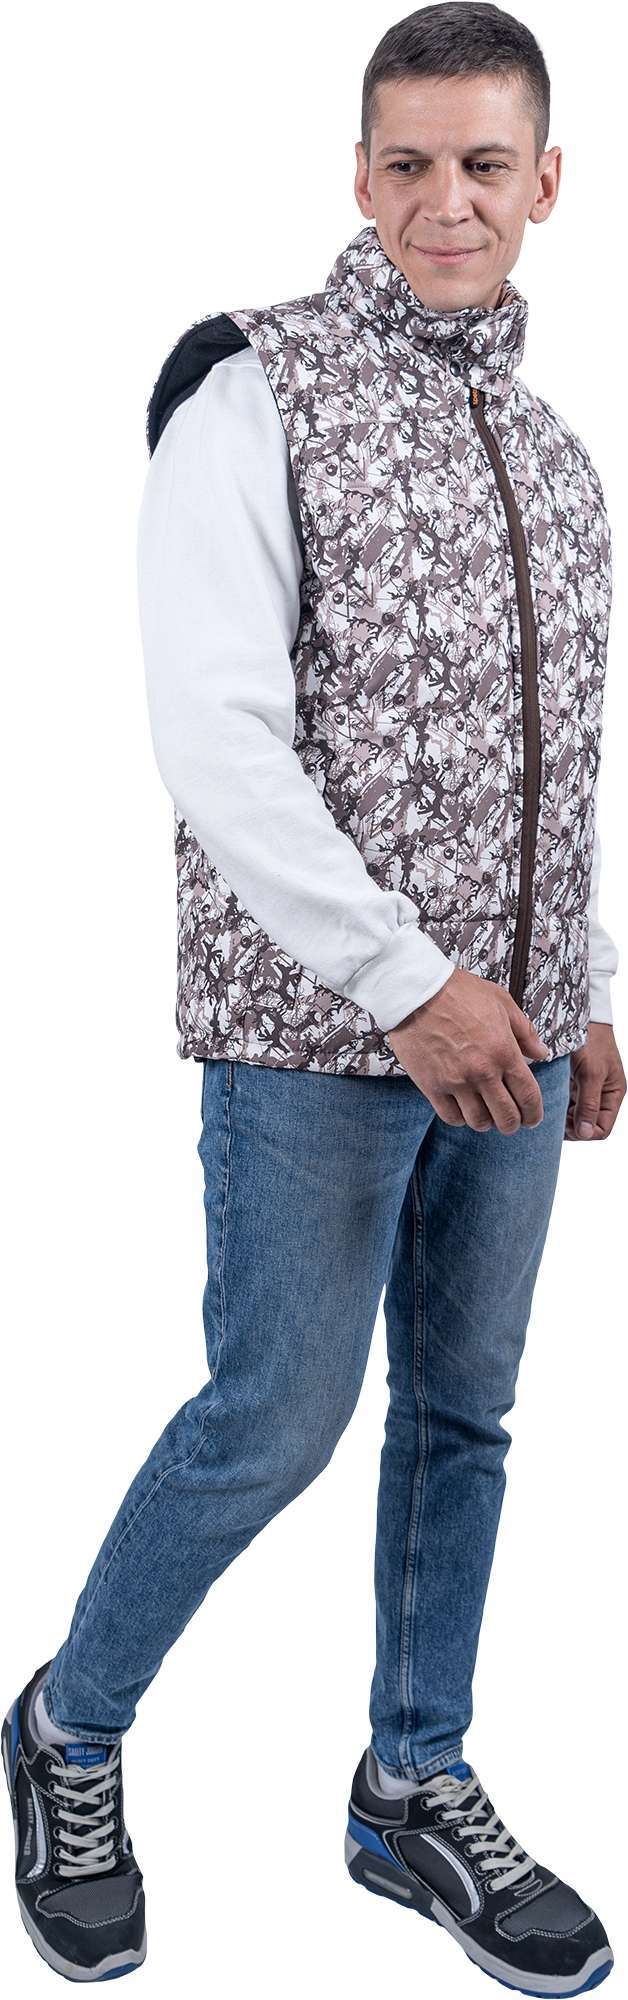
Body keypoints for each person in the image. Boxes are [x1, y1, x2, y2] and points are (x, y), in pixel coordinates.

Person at [3, 4, 624, 1988]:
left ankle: (409, 1784)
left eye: (484, 164)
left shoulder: (556, 458)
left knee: (465, 1417)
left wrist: (578, 982)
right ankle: (66, 1727)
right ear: (358, 176)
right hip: (313, 1044)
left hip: (511, 1040)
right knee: (271, 1418)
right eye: (407, 162)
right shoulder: (249, 389)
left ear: (545, 183)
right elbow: (216, 739)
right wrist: (408, 985)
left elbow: (560, 758)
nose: (446, 200)